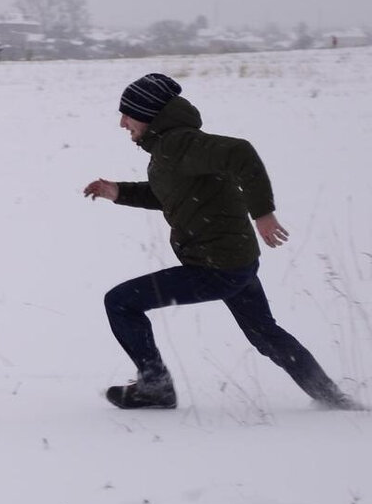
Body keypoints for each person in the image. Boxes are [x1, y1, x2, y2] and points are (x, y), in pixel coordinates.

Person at [83, 72, 359, 410]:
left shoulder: (178, 143)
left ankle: (155, 387)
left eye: (128, 113)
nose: (123, 123)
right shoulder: (171, 147)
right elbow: (172, 192)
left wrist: (263, 213)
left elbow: (240, 153)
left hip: (215, 268)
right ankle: (331, 397)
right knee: (265, 334)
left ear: (150, 112)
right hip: (234, 263)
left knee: (121, 302)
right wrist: (119, 192)